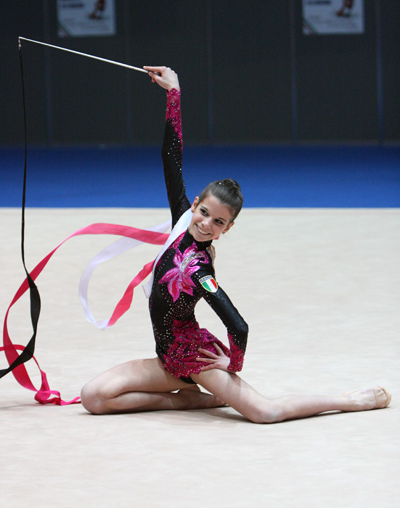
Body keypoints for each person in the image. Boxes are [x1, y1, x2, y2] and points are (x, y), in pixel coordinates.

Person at [80, 67, 391, 422]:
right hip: (166, 355)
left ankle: (351, 400)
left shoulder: (198, 269)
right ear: (194, 203)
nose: (205, 223)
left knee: (265, 412)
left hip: (194, 357)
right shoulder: (183, 219)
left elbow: (238, 324)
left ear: (227, 229)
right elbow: (170, 156)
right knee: (94, 397)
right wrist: (174, 94)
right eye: (204, 212)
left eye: (218, 222)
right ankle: (197, 401)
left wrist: (232, 362)